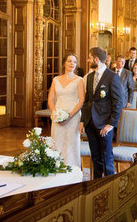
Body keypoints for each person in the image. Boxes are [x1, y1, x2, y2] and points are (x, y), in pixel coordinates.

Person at [80, 47, 125, 178]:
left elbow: (118, 103)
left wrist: (110, 125)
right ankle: (96, 185)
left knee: (107, 158)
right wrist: (83, 121)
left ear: (96, 59)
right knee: (95, 158)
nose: (88, 60)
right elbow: (87, 101)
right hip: (90, 123)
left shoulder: (112, 77)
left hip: (104, 125)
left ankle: (110, 184)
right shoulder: (89, 77)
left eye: (89, 57)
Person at [47, 54, 85, 167]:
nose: (72, 63)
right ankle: (57, 166)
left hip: (73, 116)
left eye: (74, 62)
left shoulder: (79, 80)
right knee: (57, 142)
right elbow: (50, 99)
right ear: (64, 63)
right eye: (69, 61)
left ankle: (72, 168)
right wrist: (55, 114)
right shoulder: (55, 80)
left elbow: (81, 100)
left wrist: (69, 116)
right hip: (58, 115)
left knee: (71, 143)